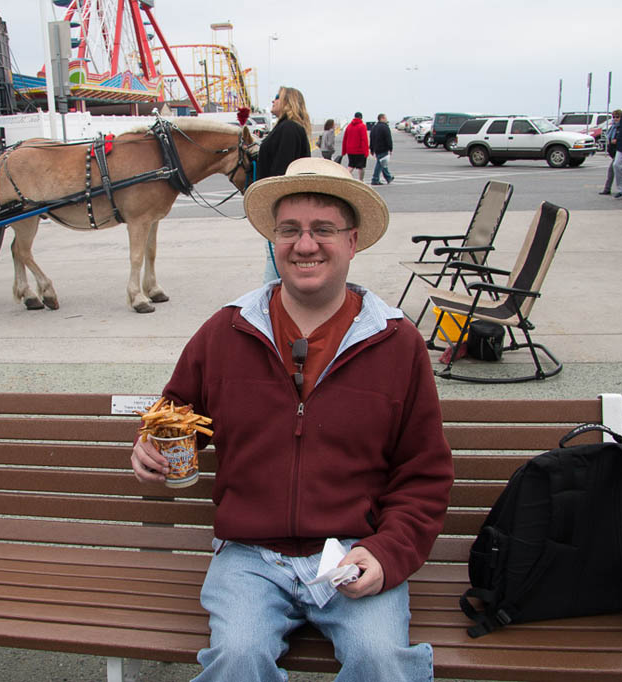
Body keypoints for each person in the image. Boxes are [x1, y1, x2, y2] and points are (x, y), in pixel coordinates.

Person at [131, 157, 454, 682]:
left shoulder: (397, 342)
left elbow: (424, 475)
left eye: (323, 229)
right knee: (237, 658)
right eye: (290, 231)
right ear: (272, 242)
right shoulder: (226, 332)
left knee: (384, 663)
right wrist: (149, 448)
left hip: (352, 550)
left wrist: (387, 552)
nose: (306, 245)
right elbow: (174, 418)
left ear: (352, 242)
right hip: (249, 557)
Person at [258, 86, 312, 282]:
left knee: (275, 274)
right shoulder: (289, 128)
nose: (273, 101)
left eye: (277, 97)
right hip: (285, 209)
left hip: (281, 209)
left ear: (288, 102)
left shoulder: (288, 129)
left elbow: (282, 173)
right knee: (276, 265)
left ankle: (269, 307)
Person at [598, 109, 622, 195]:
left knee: (612, 170)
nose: (615, 119)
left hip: (620, 151)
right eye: (614, 117)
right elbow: (608, 137)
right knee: (620, 170)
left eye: (617, 117)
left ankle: (607, 189)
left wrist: (617, 140)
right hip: (612, 151)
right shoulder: (612, 127)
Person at [341, 112, 369, 181]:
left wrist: (344, 151)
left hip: (350, 150)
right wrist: (366, 152)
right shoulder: (362, 126)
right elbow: (364, 140)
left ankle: (345, 177)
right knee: (361, 167)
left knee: (351, 165)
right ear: (361, 117)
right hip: (359, 150)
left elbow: (345, 139)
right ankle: (361, 180)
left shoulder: (349, 126)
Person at [369, 113, 394, 185]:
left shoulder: (374, 127)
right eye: (385, 118)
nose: (386, 119)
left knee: (383, 163)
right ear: (382, 118)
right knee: (380, 164)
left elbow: (372, 139)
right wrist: (390, 148)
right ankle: (375, 179)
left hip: (377, 148)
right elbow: (388, 138)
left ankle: (388, 177)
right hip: (383, 148)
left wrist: (372, 149)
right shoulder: (385, 127)